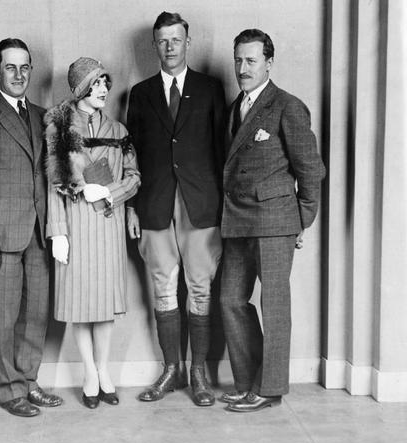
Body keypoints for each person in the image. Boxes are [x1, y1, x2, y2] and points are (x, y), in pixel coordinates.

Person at [220, 29, 326, 412]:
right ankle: (248, 382)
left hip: (275, 220)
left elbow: (311, 170)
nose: (243, 68)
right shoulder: (237, 106)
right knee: (231, 300)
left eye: (251, 60)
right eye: (238, 60)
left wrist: (301, 220)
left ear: (268, 63)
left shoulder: (287, 106)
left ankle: (269, 389)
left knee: (274, 304)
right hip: (237, 219)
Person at [127, 12, 226, 406]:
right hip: (153, 205)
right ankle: (171, 370)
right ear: (154, 45)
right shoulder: (141, 92)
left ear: (188, 42)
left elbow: (222, 150)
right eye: (162, 41)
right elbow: (129, 155)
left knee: (200, 289)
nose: (170, 47)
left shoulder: (210, 88)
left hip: (201, 205)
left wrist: (225, 209)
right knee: (163, 289)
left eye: (176, 40)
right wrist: (132, 207)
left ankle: (199, 372)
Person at [0, 38, 62, 417]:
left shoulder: (43, 116)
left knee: (35, 314)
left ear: (30, 70)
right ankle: (8, 389)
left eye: (24, 68)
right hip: (0, 237)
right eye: (10, 67)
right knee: (3, 317)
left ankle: (30, 382)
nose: (18, 75)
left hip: (40, 232)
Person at [45, 57, 140, 409]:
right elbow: (53, 183)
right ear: (80, 87)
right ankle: (88, 373)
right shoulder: (59, 129)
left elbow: (134, 176)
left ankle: (104, 371)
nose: (103, 89)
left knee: (103, 308)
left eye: (105, 82)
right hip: (76, 225)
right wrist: (57, 233)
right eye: (96, 83)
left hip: (108, 224)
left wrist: (110, 193)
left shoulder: (118, 130)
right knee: (81, 305)